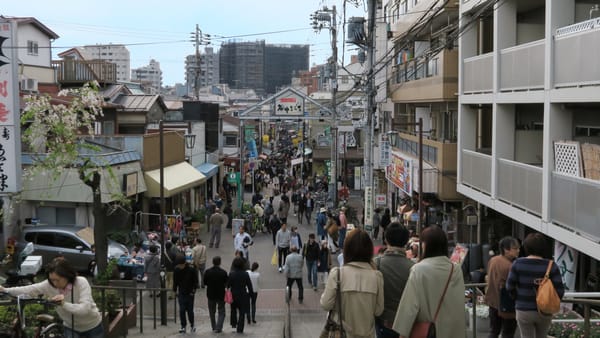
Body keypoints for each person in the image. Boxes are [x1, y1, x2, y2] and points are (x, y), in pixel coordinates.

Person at [0, 258, 104, 338]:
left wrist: (63, 304)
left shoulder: (81, 282)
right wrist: (5, 290)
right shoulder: (49, 285)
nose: (54, 283)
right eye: (51, 280)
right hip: (70, 327)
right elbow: (29, 289)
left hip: (92, 326)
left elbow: (84, 309)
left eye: (57, 280)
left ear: (67, 276)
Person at [392, 225, 466, 338]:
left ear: (425, 245)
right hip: (451, 331)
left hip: (428, 331)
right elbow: (459, 302)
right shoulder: (455, 269)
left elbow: (409, 306)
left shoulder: (419, 269)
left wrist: (403, 333)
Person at [320, 229, 384, 337]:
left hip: (341, 333)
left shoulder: (337, 274)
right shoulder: (377, 277)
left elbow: (325, 304)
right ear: (369, 251)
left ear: (347, 250)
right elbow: (378, 310)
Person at [506, 232, 565, 338]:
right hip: (545, 311)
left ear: (526, 247)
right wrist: (549, 301)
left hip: (524, 309)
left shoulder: (518, 264)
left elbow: (509, 286)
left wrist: (518, 298)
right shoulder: (551, 265)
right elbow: (560, 290)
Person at [374, 223, 414, 338]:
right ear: (406, 241)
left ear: (386, 239)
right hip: (406, 325)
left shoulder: (377, 264)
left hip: (383, 322)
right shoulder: (414, 267)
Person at [485, 236, 520, 338]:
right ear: (506, 250)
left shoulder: (493, 260)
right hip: (506, 305)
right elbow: (514, 286)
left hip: (492, 302)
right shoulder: (510, 266)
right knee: (508, 333)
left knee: (493, 331)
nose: (518, 250)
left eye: (518, 248)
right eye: (515, 248)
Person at [173, 252, 199, 334]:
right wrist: (174, 290)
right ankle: (183, 326)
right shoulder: (177, 270)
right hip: (181, 292)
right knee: (182, 310)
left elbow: (196, 281)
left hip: (190, 293)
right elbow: (175, 281)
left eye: (180, 265)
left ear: (184, 263)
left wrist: (193, 291)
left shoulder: (191, 269)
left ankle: (192, 324)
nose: (179, 266)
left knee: (190, 310)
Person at [227, 256, 254, 334]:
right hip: (243, 294)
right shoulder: (245, 274)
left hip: (233, 294)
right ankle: (240, 327)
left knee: (233, 309)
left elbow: (228, 285)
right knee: (242, 312)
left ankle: (234, 323)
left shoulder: (231, 274)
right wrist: (252, 295)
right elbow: (249, 285)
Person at [204, 256, 228, 333]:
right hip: (221, 294)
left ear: (212, 262)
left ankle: (213, 326)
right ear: (220, 262)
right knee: (221, 311)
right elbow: (226, 283)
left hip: (211, 294)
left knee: (212, 311)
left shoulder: (208, 272)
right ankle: (219, 327)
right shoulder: (223, 272)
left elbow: (205, 282)